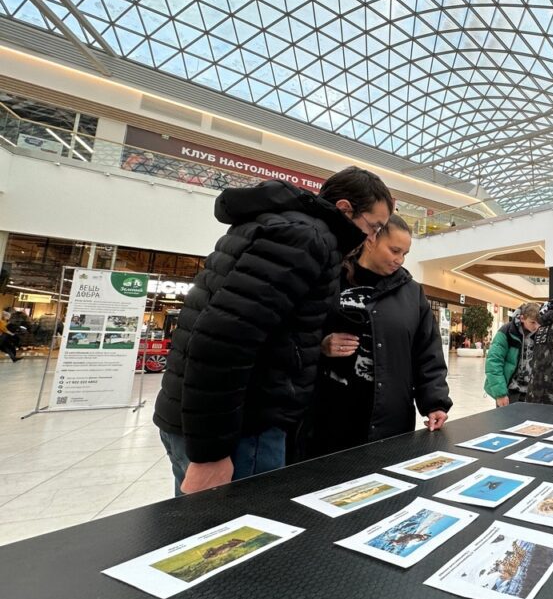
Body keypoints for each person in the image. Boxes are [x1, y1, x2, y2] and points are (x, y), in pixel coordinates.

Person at [153, 167, 393, 495]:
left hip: (204, 419)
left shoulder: (276, 223)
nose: (371, 238)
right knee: (233, 537)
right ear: (344, 209)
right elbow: (226, 341)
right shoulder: (307, 238)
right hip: (240, 429)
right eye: (373, 227)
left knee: (201, 533)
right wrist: (211, 453)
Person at [300, 215, 451, 457]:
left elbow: (427, 352)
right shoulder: (331, 278)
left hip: (390, 422)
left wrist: (435, 402)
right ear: (371, 240)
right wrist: (321, 345)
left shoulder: (412, 293)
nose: (399, 260)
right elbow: (297, 331)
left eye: (405, 254)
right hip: (329, 417)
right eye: (394, 250)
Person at [484, 302, 541, 407]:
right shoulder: (507, 332)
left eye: (538, 323)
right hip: (510, 392)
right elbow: (493, 362)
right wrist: (500, 394)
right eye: (532, 322)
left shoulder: (541, 334)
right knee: (505, 422)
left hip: (532, 394)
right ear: (522, 318)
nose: (536, 326)